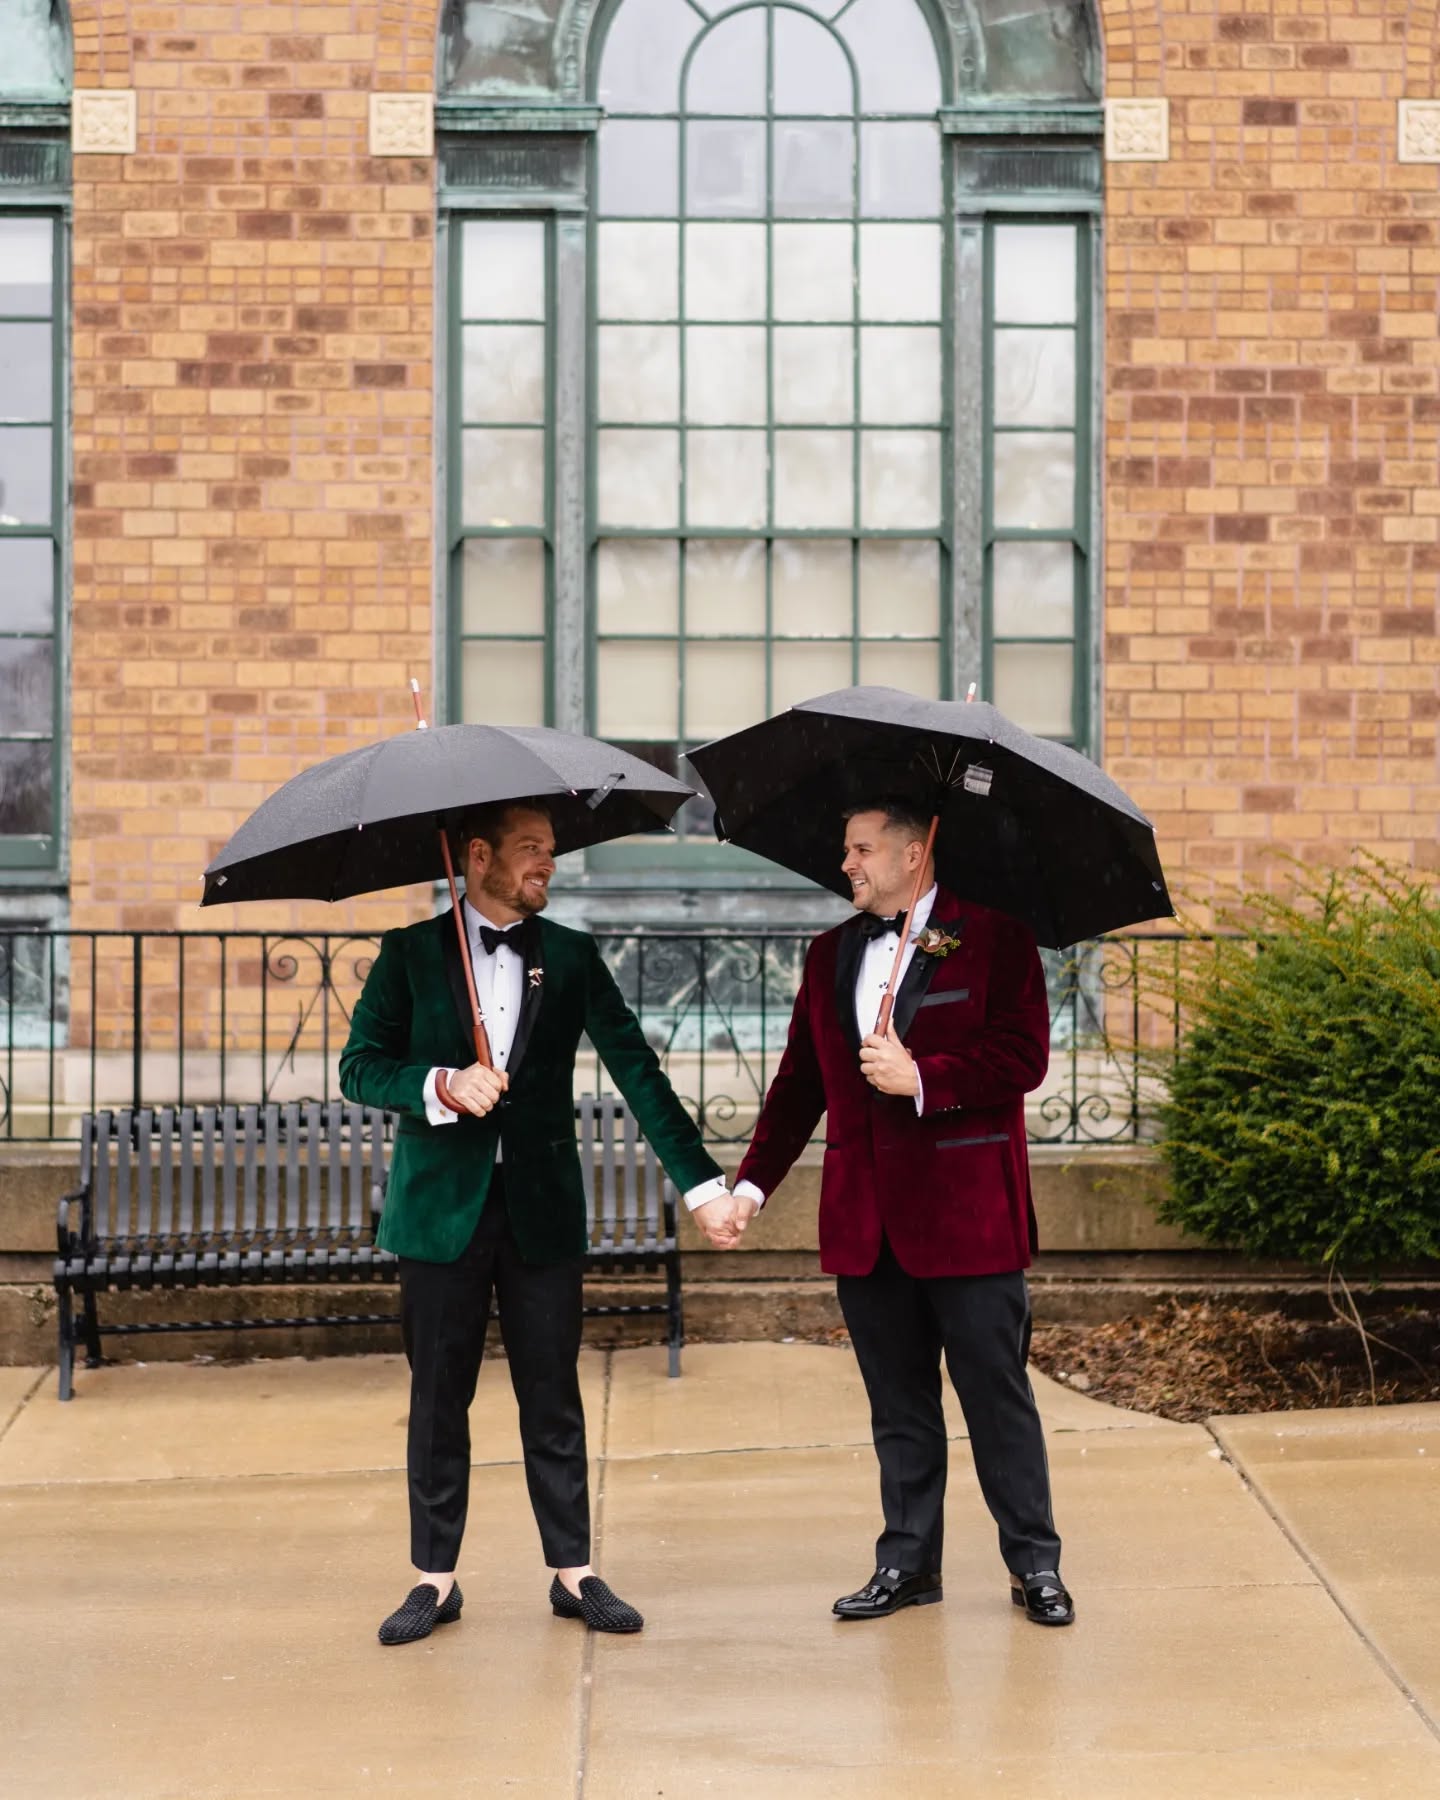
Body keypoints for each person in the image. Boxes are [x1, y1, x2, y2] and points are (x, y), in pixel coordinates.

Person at [339, 800, 738, 1646]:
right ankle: (434, 1581)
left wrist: (703, 1186)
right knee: (438, 1401)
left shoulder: (570, 955)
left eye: (550, 852)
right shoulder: (409, 954)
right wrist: (440, 1085)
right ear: (476, 856)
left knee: (553, 1397)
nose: (545, 866)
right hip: (437, 1216)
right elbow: (360, 1068)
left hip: (542, 1214)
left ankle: (574, 1572)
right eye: (529, 851)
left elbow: (638, 1070)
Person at [710, 797, 1073, 1627]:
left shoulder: (998, 938)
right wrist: (751, 1188)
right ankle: (908, 1563)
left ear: (915, 854)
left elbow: (1024, 1056)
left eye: (862, 849)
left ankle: (1035, 1566)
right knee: (899, 1410)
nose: (848, 864)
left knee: (996, 1400)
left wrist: (925, 1078)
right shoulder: (830, 953)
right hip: (865, 1226)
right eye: (847, 849)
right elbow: (800, 1082)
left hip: (969, 1221)